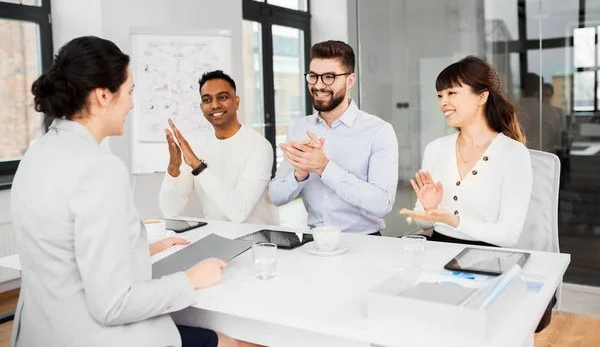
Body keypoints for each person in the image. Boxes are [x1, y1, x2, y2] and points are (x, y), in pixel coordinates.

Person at [10, 36, 255, 347]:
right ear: (102, 95)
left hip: (39, 333)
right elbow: (114, 305)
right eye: (129, 92)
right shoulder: (99, 168)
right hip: (93, 337)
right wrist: (190, 279)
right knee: (241, 343)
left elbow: (62, 247)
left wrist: (140, 249)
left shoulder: (38, 154)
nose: (131, 104)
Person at [400, 56, 532, 248]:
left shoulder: (513, 153)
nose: (443, 102)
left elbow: (509, 234)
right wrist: (430, 208)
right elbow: (425, 225)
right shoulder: (435, 149)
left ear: (482, 96)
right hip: (437, 252)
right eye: (439, 95)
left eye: (451, 93)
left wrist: (455, 222)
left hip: (486, 259)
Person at [269, 40, 398, 235]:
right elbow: (276, 196)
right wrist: (300, 173)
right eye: (313, 76)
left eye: (329, 77)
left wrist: (323, 167)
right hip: (315, 242)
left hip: (366, 243)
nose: (318, 85)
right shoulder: (299, 128)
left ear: (350, 80)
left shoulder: (379, 131)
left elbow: (383, 204)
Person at [159, 70, 278, 225]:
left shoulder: (259, 146)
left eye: (222, 97)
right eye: (207, 100)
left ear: (236, 102)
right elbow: (170, 210)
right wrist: (173, 169)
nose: (215, 105)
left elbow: (239, 213)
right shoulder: (196, 144)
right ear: (201, 107)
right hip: (217, 239)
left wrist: (198, 166)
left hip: (258, 241)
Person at [517, 73, 566, 153]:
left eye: (547, 96)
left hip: (517, 158)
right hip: (544, 157)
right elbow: (557, 139)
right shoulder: (552, 112)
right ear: (539, 90)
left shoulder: (510, 110)